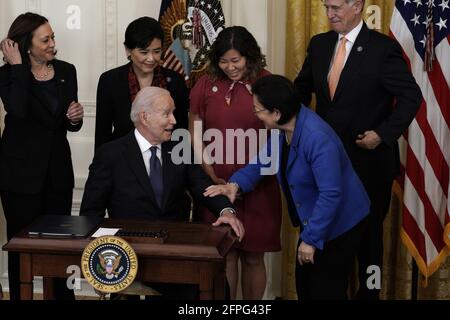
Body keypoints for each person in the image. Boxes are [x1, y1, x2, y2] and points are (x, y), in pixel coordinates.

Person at [293, 0, 422, 299]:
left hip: (369, 165)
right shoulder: (320, 44)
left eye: (336, 7)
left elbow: (410, 96)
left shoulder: (382, 48)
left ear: (357, 6)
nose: (330, 14)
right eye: (326, 7)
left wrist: (383, 134)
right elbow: (301, 90)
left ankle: (370, 295)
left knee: (369, 246)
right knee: (325, 239)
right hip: (325, 167)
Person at [205, 74, 370, 300]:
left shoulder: (317, 138)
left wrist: (311, 240)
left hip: (339, 222)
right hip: (315, 219)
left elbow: (331, 195)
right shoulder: (286, 128)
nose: (255, 114)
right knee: (305, 284)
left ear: (276, 113)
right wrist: (235, 185)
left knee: (326, 289)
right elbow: (264, 161)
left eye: (258, 109)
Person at [80, 86, 244, 300]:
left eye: (173, 113)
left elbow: (203, 187)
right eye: (166, 113)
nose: (174, 120)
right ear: (145, 117)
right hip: (128, 256)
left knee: (216, 287)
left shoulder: (180, 150)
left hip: (176, 254)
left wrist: (226, 210)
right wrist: (98, 260)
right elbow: (91, 212)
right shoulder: (110, 155)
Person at [189, 26, 282, 300]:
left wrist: (245, 180)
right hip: (215, 186)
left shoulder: (267, 82)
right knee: (224, 255)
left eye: (236, 60)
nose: (230, 67)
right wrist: (209, 171)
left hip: (259, 184)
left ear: (249, 56)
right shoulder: (205, 83)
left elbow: (276, 138)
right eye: (223, 61)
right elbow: (195, 129)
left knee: (253, 257)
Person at [0, 12, 84, 300]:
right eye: (45, 39)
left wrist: (74, 118)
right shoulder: (7, 75)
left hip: (57, 173)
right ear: (27, 45)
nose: (52, 43)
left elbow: (68, 123)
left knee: (61, 247)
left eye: (53, 37)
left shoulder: (66, 70)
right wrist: (18, 67)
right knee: (21, 247)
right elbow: (18, 110)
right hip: (20, 177)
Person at [95, 16, 189, 150]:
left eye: (157, 51)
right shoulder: (110, 81)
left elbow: (181, 132)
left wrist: (182, 168)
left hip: (166, 162)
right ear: (128, 50)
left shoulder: (175, 81)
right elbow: (102, 135)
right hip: (124, 162)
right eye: (144, 52)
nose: (151, 58)